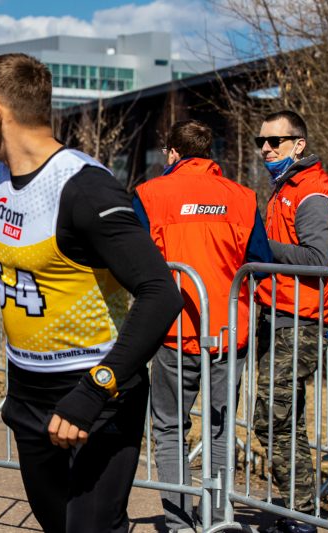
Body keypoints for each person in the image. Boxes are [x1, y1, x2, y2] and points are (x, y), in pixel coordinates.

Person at [0, 53, 183, 533]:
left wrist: (94, 391)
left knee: (90, 528)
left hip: (97, 391)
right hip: (28, 390)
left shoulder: (84, 188)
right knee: (57, 523)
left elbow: (161, 293)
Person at [133, 119, 272, 532]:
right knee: (221, 430)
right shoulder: (243, 197)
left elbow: (136, 259)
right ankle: (215, 519)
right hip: (231, 331)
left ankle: (178, 524)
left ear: (172, 153)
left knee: (170, 428)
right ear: (210, 153)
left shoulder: (151, 194)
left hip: (174, 330)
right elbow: (260, 261)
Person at [253, 110, 328, 533]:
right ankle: (298, 508)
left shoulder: (311, 193)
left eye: (274, 141)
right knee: (285, 419)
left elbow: (316, 258)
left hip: (299, 321)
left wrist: (260, 249)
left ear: (298, 145)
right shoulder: (284, 187)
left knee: (270, 419)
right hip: (279, 315)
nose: (266, 149)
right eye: (261, 142)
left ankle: (301, 513)